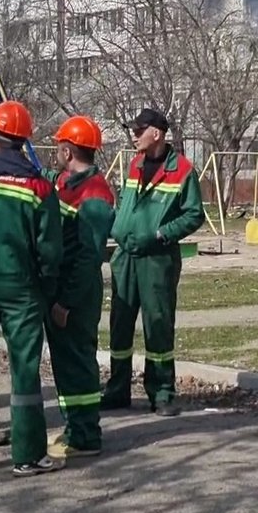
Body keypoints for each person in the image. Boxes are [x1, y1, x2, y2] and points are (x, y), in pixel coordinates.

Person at [102, 108, 203, 417]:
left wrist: (161, 234)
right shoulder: (133, 165)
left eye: (138, 129)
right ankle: (117, 390)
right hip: (125, 256)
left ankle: (161, 393)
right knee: (119, 325)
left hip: (157, 259)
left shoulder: (183, 170)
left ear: (156, 133)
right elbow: (126, 205)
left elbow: (194, 214)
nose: (133, 135)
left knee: (157, 325)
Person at [0, 100, 63, 477]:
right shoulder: (38, 186)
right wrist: (48, 289)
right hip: (20, 286)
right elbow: (50, 249)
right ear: (23, 140)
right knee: (23, 370)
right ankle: (28, 455)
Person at [44, 115, 115, 460]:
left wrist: (66, 301)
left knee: (78, 363)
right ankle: (75, 427)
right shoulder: (66, 184)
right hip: (63, 288)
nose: (56, 154)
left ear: (67, 150)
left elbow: (89, 256)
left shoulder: (95, 194)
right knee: (66, 363)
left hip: (77, 292)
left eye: (58, 148)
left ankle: (86, 435)